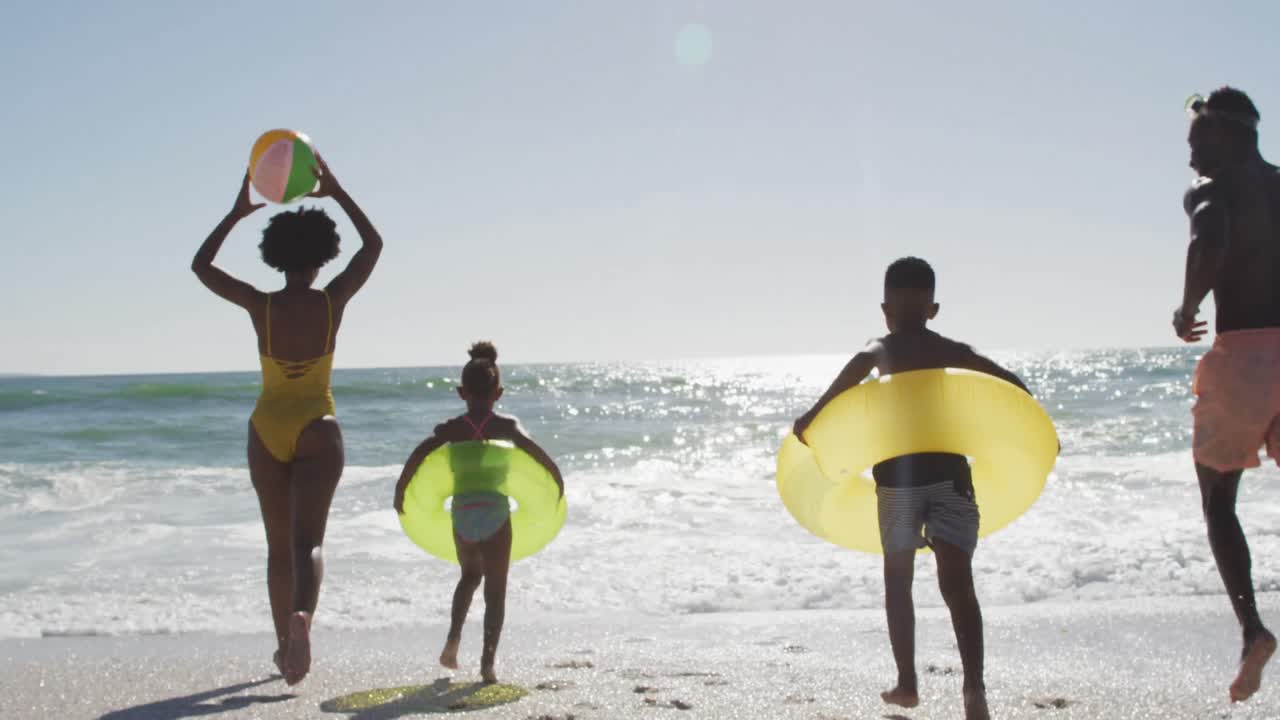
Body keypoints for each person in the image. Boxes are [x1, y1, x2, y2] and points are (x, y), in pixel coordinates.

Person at [793, 257, 1032, 720]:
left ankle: (907, 681)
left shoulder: (881, 347)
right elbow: (1007, 381)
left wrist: (814, 414)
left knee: (898, 582)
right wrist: (1035, 428)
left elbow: (854, 370)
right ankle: (974, 690)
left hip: (898, 481)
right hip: (950, 478)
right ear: (933, 308)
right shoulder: (948, 348)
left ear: (885, 309)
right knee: (958, 584)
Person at [191, 155, 383, 685]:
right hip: (318, 424)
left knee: (278, 549)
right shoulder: (332, 300)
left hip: (266, 427)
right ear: (324, 254)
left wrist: (236, 214)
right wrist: (338, 192)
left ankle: (283, 648)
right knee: (310, 545)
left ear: (275, 256)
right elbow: (374, 247)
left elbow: (200, 267)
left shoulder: (260, 304)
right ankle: (304, 615)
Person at [1175, 86, 1278, 703]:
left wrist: (1188, 307)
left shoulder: (1213, 191)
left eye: (1199, 139)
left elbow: (1207, 241)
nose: (1190, 154)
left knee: (1218, 502)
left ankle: (1254, 631)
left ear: (1236, 136)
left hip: (1243, 359)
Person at [394, 342, 564, 685]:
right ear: (498, 392)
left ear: (462, 392)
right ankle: (487, 664)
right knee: (496, 591)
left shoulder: (452, 428)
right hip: (496, 514)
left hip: (462, 515)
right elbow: (537, 453)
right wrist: (557, 482)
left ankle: (452, 641)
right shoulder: (507, 425)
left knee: (469, 577)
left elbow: (419, 454)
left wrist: (401, 490)